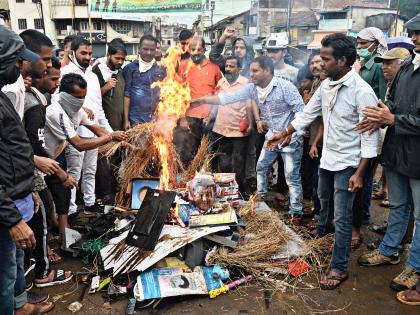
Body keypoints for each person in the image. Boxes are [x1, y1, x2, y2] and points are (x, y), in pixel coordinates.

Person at [266, 33, 379, 289]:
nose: (321, 63)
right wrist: (282, 134)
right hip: (327, 160)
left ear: (342, 60)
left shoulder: (362, 91)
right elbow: (307, 115)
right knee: (323, 207)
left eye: (326, 59)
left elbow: (370, 140)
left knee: (342, 217)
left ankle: (339, 267)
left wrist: (360, 173)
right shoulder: (326, 85)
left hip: (349, 165)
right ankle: (319, 244)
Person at [191, 56, 305, 225]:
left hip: (290, 138)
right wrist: (202, 100)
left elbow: (301, 111)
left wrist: (289, 133)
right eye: (250, 70)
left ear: (267, 71)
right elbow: (226, 99)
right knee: (261, 168)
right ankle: (261, 200)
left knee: (291, 177)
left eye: (255, 71)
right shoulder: (252, 88)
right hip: (272, 137)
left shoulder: (285, 87)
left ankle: (296, 212)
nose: (251, 74)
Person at [356, 15, 420, 299]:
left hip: (418, 156)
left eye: (419, 34)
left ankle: (416, 267)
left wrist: (392, 118)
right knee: (398, 206)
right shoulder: (408, 67)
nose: (415, 38)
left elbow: (399, 114)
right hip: (397, 152)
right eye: (414, 33)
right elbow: (392, 102)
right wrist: (380, 116)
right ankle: (390, 251)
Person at [0, 25, 54, 315]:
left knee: (14, 264)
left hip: (15, 195)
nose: (22, 66)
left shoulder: (3, 96)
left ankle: (19, 306)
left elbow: (13, 150)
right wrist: (11, 219)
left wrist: (27, 190)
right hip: (4, 208)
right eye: (17, 59)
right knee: (5, 273)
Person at [21, 29, 75, 288]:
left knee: (42, 216)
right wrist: (59, 172)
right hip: (27, 175)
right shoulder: (32, 103)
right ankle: (42, 273)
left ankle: (36, 263)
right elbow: (32, 144)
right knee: (39, 222)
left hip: (32, 171)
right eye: (45, 61)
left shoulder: (35, 97)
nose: (49, 67)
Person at [44, 73, 127, 235]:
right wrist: (110, 137)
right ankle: (54, 233)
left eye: (83, 97)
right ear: (65, 95)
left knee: (61, 194)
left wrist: (121, 141)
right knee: (48, 198)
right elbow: (79, 144)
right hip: (42, 158)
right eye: (77, 97)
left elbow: (97, 130)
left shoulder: (77, 110)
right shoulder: (56, 113)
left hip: (54, 157)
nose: (81, 101)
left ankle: (61, 231)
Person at [58, 36, 113, 219]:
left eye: (90, 53)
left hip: (93, 132)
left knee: (91, 171)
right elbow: (57, 102)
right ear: (72, 53)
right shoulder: (64, 73)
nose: (87, 57)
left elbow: (98, 109)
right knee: (74, 173)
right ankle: (72, 210)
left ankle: (90, 203)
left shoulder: (92, 76)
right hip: (74, 134)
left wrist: (110, 132)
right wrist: (81, 108)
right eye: (83, 53)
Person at [175, 36, 222, 166]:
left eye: (199, 49)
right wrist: (182, 118)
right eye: (192, 49)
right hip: (190, 118)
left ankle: (207, 182)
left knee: (209, 155)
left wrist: (212, 114)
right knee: (189, 155)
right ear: (188, 50)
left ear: (204, 50)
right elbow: (178, 93)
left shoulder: (214, 67)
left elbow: (219, 91)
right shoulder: (183, 66)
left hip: (210, 119)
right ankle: (189, 181)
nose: (196, 52)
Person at [92, 38, 127, 204]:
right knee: (104, 160)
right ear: (108, 55)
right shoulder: (96, 72)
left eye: (122, 59)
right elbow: (90, 97)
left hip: (118, 125)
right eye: (117, 58)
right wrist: (105, 87)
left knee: (116, 159)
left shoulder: (120, 72)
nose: (120, 62)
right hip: (103, 127)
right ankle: (104, 193)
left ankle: (114, 190)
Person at [211, 56, 253, 190]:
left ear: (240, 69)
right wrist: (210, 116)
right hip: (221, 129)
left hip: (238, 132)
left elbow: (250, 105)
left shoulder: (246, 84)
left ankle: (238, 192)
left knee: (238, 164)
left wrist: (251, 124)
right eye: (227, 66)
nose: (228, 69)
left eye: (231, 66)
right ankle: (223, 191)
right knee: (223, 164)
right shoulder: (221, 82)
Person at [123, 34, 165, 128]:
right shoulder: (130, 69)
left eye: (152, 49)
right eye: (145, 49)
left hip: (155, 120)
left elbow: (163, 95)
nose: (149, 53)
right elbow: (127, 95)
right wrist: (126, 121)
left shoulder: (161, 69)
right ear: (139, 49)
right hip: (136, 120)